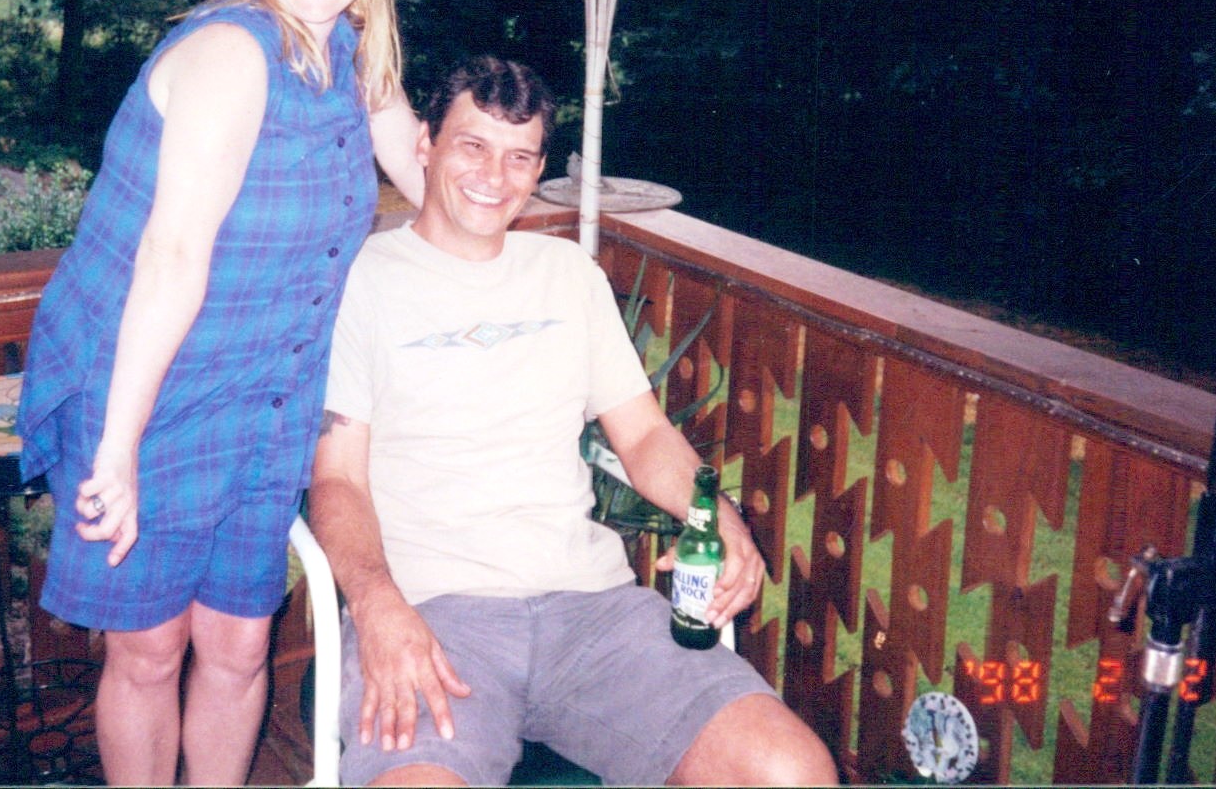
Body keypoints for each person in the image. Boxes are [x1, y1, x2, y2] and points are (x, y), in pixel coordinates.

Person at [308, 56, 837, 787]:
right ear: (424, 142)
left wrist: (719, 518)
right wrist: (375, 605)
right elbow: (336, 480)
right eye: (473, 146)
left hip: (593, 613)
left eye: (518, 156)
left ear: (537, 170)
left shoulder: (568, 276)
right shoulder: (358, 282)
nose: (494, 176)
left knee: (791, 771)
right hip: (431, 614)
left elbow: (643, 435)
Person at [15, 0, 425, 786]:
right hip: (144, 387)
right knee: (149, 651)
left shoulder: (350, 48)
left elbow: (419, 166)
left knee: (240, 648)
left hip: (265, 396)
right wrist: (118, 449)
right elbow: (170, 259)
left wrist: (507, 192)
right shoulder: (231, 55)